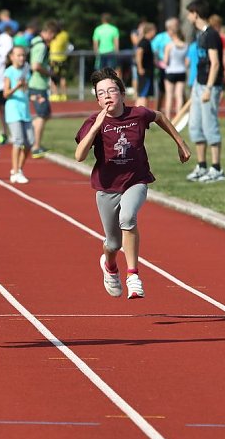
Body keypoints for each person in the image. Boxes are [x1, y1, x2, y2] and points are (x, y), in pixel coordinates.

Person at [75, 68, 190, 299]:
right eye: (102, 93)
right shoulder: (92, 122)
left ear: (122, 93)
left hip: (135, 180)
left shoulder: (137, 114)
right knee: (113, 244)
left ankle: (133, 275)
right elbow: (79, 156)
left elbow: (159, 117)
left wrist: (181, 143)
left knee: (128, 217)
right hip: (107, 188)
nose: (107, 96)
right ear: (97, 99)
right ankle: (109, 265)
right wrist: (97, 126)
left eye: (112, 90)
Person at [185, 0, 225, 183]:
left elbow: (215, 63)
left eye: (189, 13)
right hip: (199, 84)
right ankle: (201, 166)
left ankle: (216, 168)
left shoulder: (211, 35)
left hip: (210, 86)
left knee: (210, 126)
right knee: (195, 126)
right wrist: (196, 86)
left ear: (195, 13)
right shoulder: (199, 34)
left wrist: (209, 88)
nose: (188, 17)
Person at [28, 20, 58, 158]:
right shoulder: (41, 46)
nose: (53, 39)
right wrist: (50, 73)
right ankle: (35, 146)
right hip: (37, 85)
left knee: (45, 114)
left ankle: (32, 139)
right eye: (53, 35)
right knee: (42, 115)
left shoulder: (35, 42)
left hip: (37, 85)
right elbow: (36, 65)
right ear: (49, 32)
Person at [3, 46, 32, 184]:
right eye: (19, 55)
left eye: (23, 55)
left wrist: (34, 96)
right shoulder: (9, 72)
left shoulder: (26, 71)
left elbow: (26, 90)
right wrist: (17, 86)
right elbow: (6, 93)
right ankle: (14, 172)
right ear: (12, 57)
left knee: (30, 142)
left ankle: (19, 168)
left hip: (25, 111)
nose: (22, 58)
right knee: (18, 140)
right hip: (13, 111)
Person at [162, 25, 188, 119]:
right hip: (181, 71)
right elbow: (186, 61)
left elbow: (165, 61)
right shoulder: (185, 45)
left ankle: (168, 118)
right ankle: (179, 117)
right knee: (179, 96)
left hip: (171, 71)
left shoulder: (169, 45)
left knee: (169, 96)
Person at [134, 22, 156, 108]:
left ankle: (140, 114)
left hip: (147, 71)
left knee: (144, 95)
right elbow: (139, 53)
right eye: (154, 31)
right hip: (145, 72)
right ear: (150, 31)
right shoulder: (144, 42)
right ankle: (140, 114)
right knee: (143, 94)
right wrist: (140, 67)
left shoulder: (147, 42)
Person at [48, 24, 71, 101]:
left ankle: (55, 95)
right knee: (63, 78)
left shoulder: (53, 35)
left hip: (54, 59)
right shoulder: (65, 34)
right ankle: (64, 95)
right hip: (63, 58)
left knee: (53, 78)